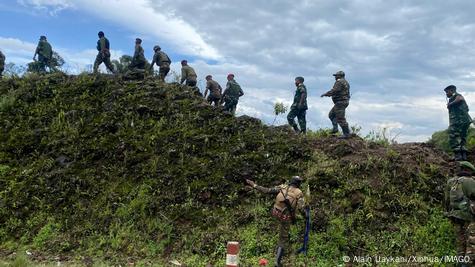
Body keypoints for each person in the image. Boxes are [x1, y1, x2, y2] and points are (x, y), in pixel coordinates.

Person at [246, 176, 305, 267]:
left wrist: (254, 185)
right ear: (298, 184)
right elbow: (301, 207)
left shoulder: (282, 187)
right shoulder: (299, 193)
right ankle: (277, 262)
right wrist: (306, 215)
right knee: (283, 238)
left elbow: (267, 190)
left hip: (275, 213)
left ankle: (281, 244)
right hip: (285, 217)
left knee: (283, 231)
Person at [445, 161, 475, 265]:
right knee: (471, 243)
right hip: (468, 216)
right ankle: (467, 264)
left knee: (460, 243)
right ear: (469, 170)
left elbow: (447, 200)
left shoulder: (451, 181)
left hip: (454, 215)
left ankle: (460, 262)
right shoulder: (469, 181)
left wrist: (448, 213)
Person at [445, 85, 473, 161]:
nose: (446, 94)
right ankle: (463, 155)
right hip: (465, 120)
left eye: (447, 92)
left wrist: (450, 104)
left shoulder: (456, 95)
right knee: (462, 137)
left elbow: (460, 98)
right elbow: (467, 109)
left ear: (452, 90)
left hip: (458, 121)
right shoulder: (455, 98)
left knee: (453, 136)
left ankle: (458, 155)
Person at [321, 70, 351, 139]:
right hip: (341, 102)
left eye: (336, 75)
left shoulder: (339, 82)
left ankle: (346, 134)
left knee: (340, 118)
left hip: (340, 102)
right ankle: (335, 129)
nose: (335, 77)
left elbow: (335, 90)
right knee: (331, 115)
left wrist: (326, 94)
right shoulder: (346, 82)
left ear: (340, 76)